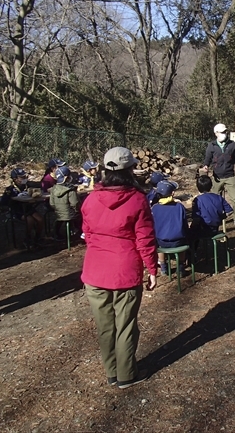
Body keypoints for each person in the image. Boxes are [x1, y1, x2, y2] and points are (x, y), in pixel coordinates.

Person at [81, 146, 158, 390]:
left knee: (105, 326)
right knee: (125, 325)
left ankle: (112, 371)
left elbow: (88, 234)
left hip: (95, 271)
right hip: (125, 271)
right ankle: (126, 375)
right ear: (131, 170)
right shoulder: (137, 200)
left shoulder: (91, 199)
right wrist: (153, 269)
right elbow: (145, 239)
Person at [201, 123, 235, 227]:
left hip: (230, 176)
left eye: (225, 132)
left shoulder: (232, 145)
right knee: (215, 200)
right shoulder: (212, 146)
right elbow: (208, 158)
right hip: (217, 178)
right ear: (216, 133)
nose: (225, 133)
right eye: (222, 132)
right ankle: (217, 218)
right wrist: (206, 165)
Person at [151, 180, 189, 276]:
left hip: (161, 242)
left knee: (158, 244)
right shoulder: (179, 206)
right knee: (184, 239)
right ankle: (180, 267)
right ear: (172, 193)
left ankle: (163, 266)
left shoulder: (154, 208)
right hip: (179, 241)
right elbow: (185, 224)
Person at [1, 167, 45, 249]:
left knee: (40, 219)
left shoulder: (28, 185)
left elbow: (40, 185)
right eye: (22, 177)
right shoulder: (10, 190)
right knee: (30, 220)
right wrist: (12, 201)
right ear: (15, 179)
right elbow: (4, 202)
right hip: (17, 210)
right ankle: (27, 239)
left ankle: (38, 238)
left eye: (25, 177)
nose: (24, 179)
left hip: (28, 207)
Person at [190, 175, 233, 240]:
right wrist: (221, 216)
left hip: (203, 229)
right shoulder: (218, 197)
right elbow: (230, 211)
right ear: (211, 186)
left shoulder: (198, 200)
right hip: (215, 228)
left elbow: (196, 218)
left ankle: (195, 249)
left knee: (190, 234)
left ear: (198, 187)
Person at [49, 166, 80, 241]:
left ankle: (56, 234)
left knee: (61, 217)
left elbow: (51, 203)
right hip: (69, 214)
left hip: (58, 213)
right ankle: (78, 232)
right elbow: (75, 203)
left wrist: (58, 209)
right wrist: (77, 210)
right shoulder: (70, 190)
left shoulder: (53, 188)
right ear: (66, 177)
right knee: (79, 215)